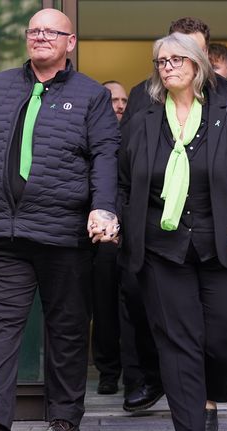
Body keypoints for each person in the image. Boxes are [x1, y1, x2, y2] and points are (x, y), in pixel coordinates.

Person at [0, 8, 120, 431]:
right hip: (1, 234)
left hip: (64, 235)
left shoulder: (91, 95)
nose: (41, 37)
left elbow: (105, 156)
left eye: (52, 31)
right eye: (35, 30)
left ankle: (63, 419)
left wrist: (104, 208)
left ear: (70, 42)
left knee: (67, 330)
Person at [118, 33, 227, 431]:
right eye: (161, 62)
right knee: (178, 343)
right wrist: (118, 219)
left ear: (197, 64)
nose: (167, 67)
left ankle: (208, 395)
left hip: (222, 241)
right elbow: (124, 178)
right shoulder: (144, 110)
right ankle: (191, 422)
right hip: (160, 246)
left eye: (176, 60)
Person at [120, 17, 227, 127]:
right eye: (179, 51)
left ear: (205, 53)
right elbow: (125, 151)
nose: (189, 56)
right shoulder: (141, 94)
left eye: (194, 51)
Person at [89, 80, 129, 396]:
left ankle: (135, 374)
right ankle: (107, 371)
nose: (118, 105)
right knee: (103, 307)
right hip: (98, 239)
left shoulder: (136, 138)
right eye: (112, 99)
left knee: (133, 307)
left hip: (131, 236)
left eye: (123, 100)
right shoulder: (86, 137)